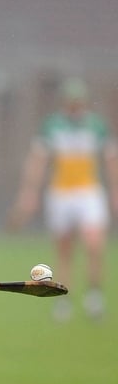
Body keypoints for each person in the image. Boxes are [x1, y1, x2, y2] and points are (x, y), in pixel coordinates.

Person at [9, 77, 118, 322]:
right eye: (71, 102)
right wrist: (29, 193)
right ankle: (64, 300)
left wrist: (114, 192)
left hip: (89, 191)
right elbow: (38, 161)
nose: (74, 106)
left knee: (93, 243)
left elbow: (111, 161)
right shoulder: (52, 126)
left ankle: (94, 297)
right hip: (61, 193)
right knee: (65, 248)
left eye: (78, 102)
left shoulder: (96, 126)